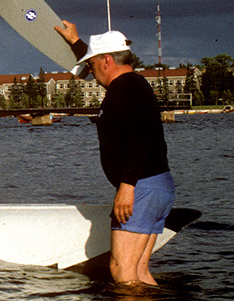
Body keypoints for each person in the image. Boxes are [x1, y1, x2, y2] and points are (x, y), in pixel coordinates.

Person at [56, 21, 175, 287]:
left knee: (122, 272)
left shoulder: (125, 89)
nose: (91, 71)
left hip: (141, 186)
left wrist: (127, 186)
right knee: (139, 273)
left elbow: (139, 137)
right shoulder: (132, 84)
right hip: (157, 185)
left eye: (93, 64)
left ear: (107, 60)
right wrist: (75, 41)